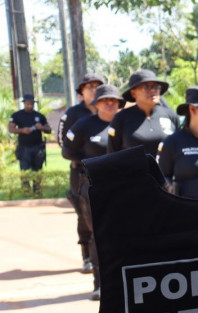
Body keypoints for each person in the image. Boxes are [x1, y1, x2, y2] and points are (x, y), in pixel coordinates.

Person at [61, 84, 123, 300]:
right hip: (91, 184)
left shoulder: (122, 123)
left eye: (114, 100)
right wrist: (90, 163)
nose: (109, 103)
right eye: (105, 100)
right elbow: (67, 151)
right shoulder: (83, 125)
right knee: (98, 233)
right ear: (96, 104)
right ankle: (99, 283)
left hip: (121, 186)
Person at [57, 73, 104, 273]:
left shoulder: (108, 110)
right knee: (84, 215)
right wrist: (84, 159)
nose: (93, 90)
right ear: (81, 92)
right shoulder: (73, 114)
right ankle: (87, 256)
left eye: (97, 86)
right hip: (80, 173)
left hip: (105, 173)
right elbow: (63, 142)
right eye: (89, 87)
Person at [108, 70, 177, 157]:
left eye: (156, 87)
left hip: (165, 170)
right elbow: (112, 155)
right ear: (133, 93)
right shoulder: (121, 118)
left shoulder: (171, 116)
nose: (152, 90)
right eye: (147, 87)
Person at [8, 93, 51, 193]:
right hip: (24, 148)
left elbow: (49, 129)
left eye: (31, 103)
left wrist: (42, 128)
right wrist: (22, 130)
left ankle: (37, 190)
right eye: (27, 103)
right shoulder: (17, 115)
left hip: (38, 147)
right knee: (25, 170)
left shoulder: (39, 116)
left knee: (38, 169)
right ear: (24, 103)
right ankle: (26, 191)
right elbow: (11, 128)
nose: (29, 105)